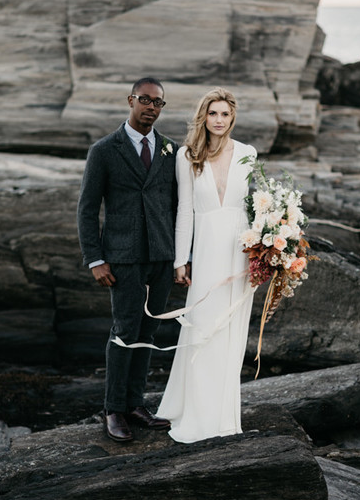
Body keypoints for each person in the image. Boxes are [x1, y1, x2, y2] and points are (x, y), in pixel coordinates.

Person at [77, 78, 178, 442]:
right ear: (131, 100)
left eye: (158, 103)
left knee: (148, 332)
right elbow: (87, 210)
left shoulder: (171, 150)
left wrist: (182, 259)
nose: (151, 107)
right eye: (145, 100)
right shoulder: (104, 150)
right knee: (123, 332)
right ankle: (114, 410)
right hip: (122, 258)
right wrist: (95, 260)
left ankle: (136, 404)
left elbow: (178, 208)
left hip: (162, 257)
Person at [158, 87, 256, 443]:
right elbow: (184, 210)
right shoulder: (187, 156)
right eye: (213, 113)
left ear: (232, 118)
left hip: (242, 252)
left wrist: (266, 251)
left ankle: (225, 416)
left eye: (225, 115)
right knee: (202, 327)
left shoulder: (247, 153)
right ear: (204, 116)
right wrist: (181, 259)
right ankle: (198, 413)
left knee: (232, 334)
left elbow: (254, 207)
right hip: (208, 249)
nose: (219, 120)